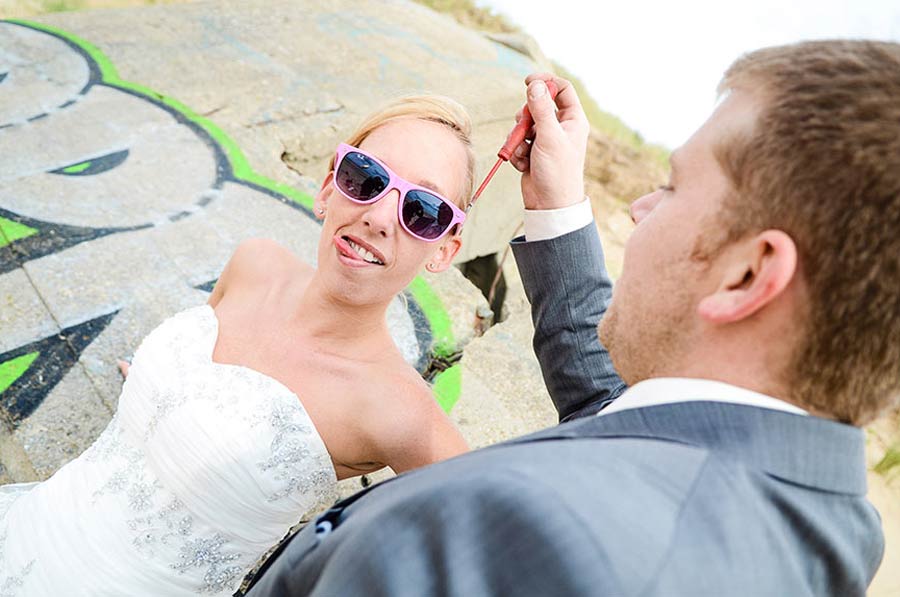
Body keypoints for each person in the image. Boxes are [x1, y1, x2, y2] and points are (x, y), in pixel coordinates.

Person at [245, 40, 899, 596]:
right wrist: (560, 202)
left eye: (670, 187)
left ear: (748, 275)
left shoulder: (530, 540)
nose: (641, 208)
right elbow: (621, 415)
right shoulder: (829, 522)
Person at [0, 95, 475, 595]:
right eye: (366, 177)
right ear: (327, 187)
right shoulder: (255, 263)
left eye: (422, 211)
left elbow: (500, 549)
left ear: (444, 250)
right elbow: (212, 385)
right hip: (35, 523)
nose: (379, 216)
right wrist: (164, 395)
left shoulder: (400, 415)